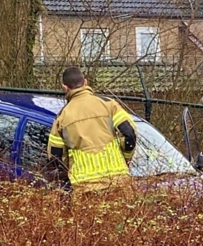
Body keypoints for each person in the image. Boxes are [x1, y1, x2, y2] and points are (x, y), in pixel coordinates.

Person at [47, 67, 138, 195]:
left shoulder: (61, 117)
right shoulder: (108, 104)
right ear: (85, 82)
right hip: (118, 182)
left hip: (84, 188)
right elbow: (129, 134)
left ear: (65, 87)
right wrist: (126, 159)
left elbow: (55, 158)